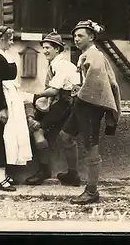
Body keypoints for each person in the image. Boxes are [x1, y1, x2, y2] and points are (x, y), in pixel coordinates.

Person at [57, 20, 121, 205]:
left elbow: (97, 82)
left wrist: (80, 94)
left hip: (91, 106)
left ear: (91, 37)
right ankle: (72, 174)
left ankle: (92, 191)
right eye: (75, 36)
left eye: (80, 36)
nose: (76, 39)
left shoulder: (96, 56)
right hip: (82, 103)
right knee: (65, 136)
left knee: (91, 146)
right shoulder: (86, 54)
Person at [24, 30, 80, 185]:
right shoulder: (55, 64)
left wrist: (34, 96)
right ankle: (70, 173)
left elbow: (54, 90)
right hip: (59, 101)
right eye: (44, 47)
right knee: (39, 127)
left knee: (38, 129)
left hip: (66, 102)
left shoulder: (62, 65)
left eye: (48, 47)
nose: (45, 51)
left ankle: (44, 170)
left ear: (58, 49)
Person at [0, 25, 32, 192]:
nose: (12, 42)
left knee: (10, 136)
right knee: (1, 135)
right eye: (9, 39)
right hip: (1, 100)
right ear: (0, 39)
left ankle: (3, 173)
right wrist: (2, 108)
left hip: (11, 97)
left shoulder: (6, 55)